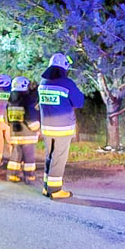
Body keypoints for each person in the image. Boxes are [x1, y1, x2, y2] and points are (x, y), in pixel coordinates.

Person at [37, 53, 84, 199]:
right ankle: (55, 190)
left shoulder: (43, 82)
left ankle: (46, 187)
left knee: (49, 156)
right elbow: (79, 102)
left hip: (46, 127)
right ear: (64, 67)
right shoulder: (67, 83)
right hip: (62, 128)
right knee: (59, 157)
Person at [5, 76, 41, 183]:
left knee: (15, 156)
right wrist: (36, 128)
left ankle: (12, 175)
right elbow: (30, 117)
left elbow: (6, 119)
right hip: (27, 135)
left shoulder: (10, 102)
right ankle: (29, 176)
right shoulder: (26, 100)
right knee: (29, 157)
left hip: (15, 134)